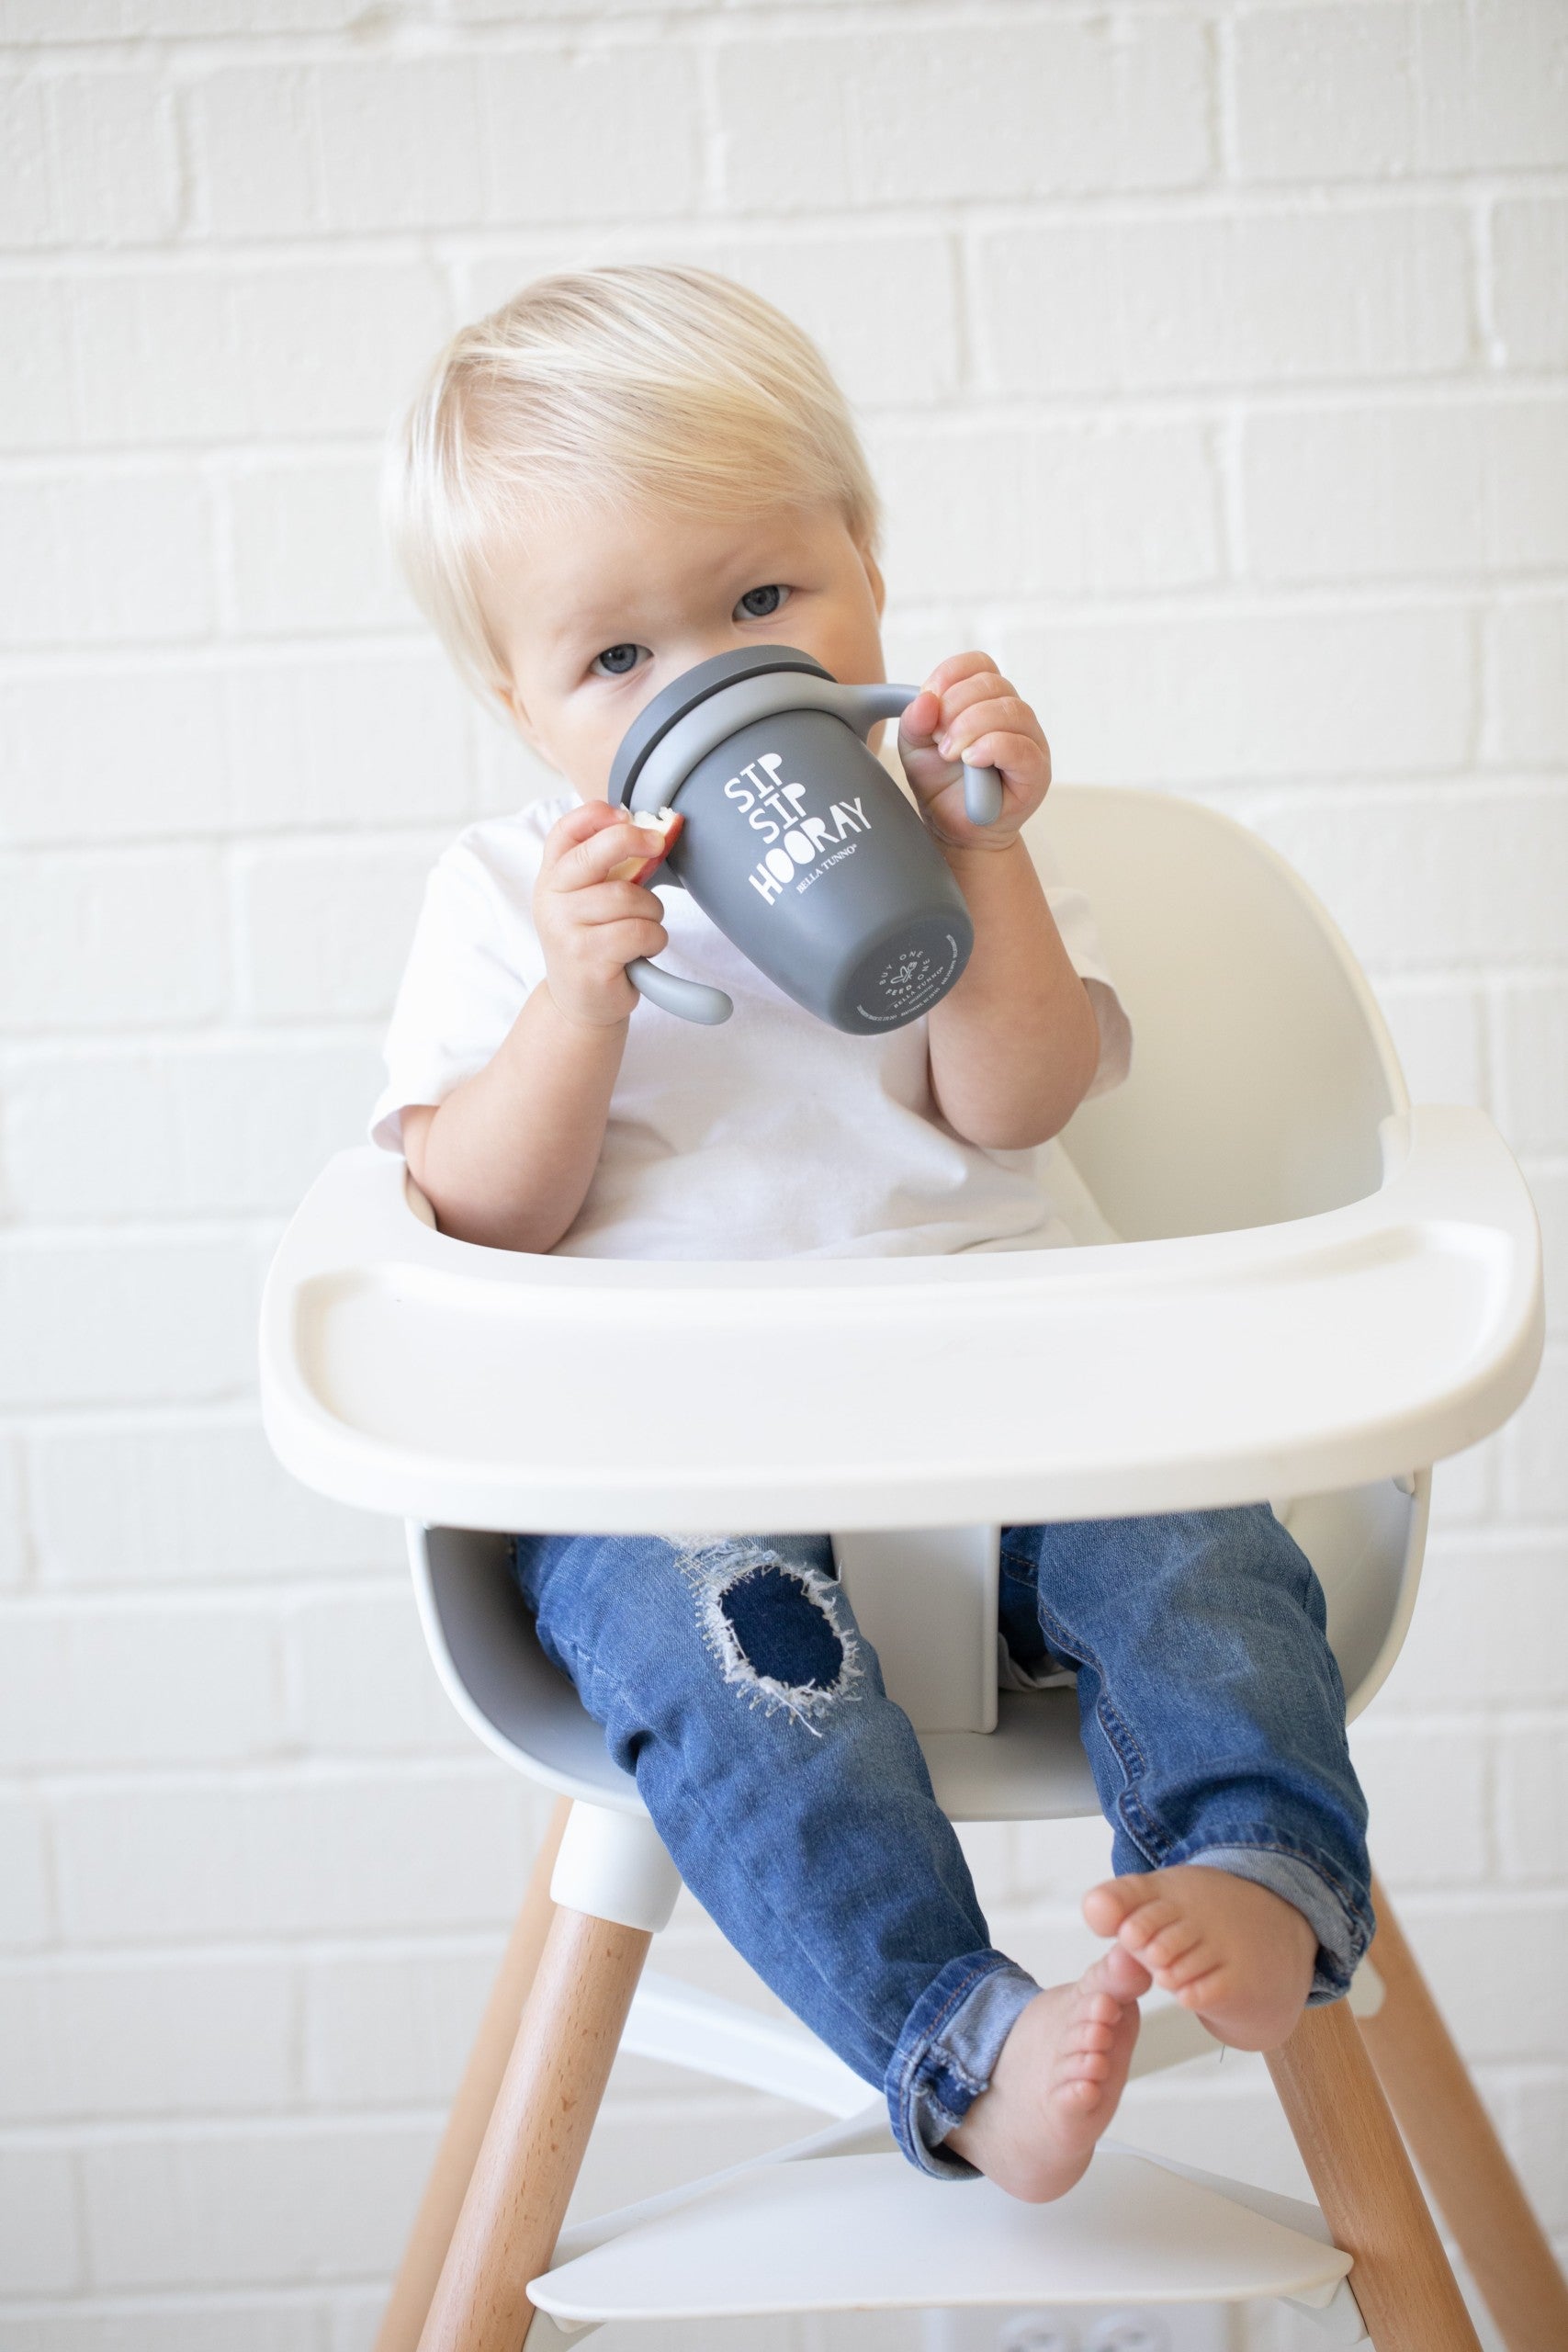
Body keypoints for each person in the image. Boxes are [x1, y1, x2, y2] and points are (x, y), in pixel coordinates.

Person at [370, 262, 1372, 2199]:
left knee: (1199, 1543)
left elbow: (1016, 1099)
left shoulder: (947, 828)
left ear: (868, 572)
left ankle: (1256, 1861)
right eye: (616, 658)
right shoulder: (505, 899)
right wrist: (574, 1003)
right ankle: (961, 2039)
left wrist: (980, 851)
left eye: (762, 602)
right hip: (673, 1472)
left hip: (1008, 1407)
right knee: (730, 1689)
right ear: (518, 702)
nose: (705, 679)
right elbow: (477, 1209)